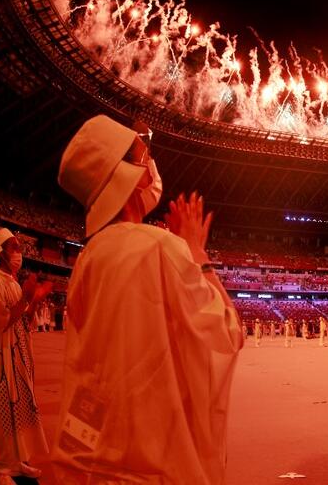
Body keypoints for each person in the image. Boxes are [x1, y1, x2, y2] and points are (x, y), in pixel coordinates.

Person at [53, 115, 243, 483]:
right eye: (144, 156)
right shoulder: (159, 246)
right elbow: (226, 334)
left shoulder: (87, 260)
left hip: (92, 457)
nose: (151, 165)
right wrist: (197, 255)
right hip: (154, 462)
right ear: (131, 174)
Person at [0, 228, 50, 483]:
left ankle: (16, 462)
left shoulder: (11, 281)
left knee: (17, 410)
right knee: (1, 414)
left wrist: (35, 299)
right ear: (1, 253)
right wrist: (27, 298)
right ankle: (0, 467)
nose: (19, 253)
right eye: (14, 248)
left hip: (17, 355)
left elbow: (23, 320)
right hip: (1, 357)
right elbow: (2, 322)